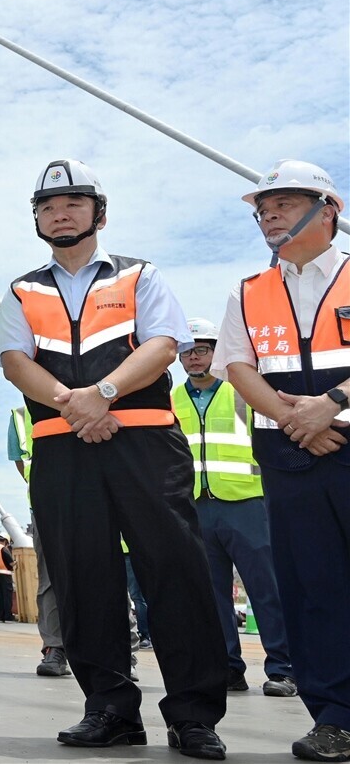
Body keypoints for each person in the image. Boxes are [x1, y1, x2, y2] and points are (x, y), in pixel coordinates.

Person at [0, 158, 228, 760]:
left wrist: (100, 396)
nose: (59, 213)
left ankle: (194, 715)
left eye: (72, 203)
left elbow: (162, 344)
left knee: (173, 571)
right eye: (47, 207)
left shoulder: (138, 276)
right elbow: (15, 360)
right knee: (82, 578)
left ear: (98, 213)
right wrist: (73, 406)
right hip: (60, 445)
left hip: (145, 442)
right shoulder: (24, 289)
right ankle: (109, 709)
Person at [212, 159, 349, 762]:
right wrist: (296, 418)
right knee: (310, 588)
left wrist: (334, 404)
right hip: (289, 454)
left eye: (284, 203)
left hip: (342, 435)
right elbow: (238, 365)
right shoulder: (248, 291)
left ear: (329, 210)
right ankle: (335, 717)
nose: (268, 214)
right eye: (262, 208)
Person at [175, 316, 294, 697]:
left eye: (202, 350)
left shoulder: (241, 392)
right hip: (196, 506)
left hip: (246, 502)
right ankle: (228, 668)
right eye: (187, 352)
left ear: (217, 352)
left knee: (266, 588)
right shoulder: (171, 399)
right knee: (211, 596)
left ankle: (283, 668)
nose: (194, 358)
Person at [9, 406, 68, 676]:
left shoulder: (88, 387)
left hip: (95, 497)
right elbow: (22, 464)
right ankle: (55, 648)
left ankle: (124, 653)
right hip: (44, 505)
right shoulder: (20, 417)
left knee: (105, 572)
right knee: (49, 580)